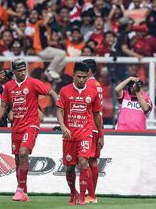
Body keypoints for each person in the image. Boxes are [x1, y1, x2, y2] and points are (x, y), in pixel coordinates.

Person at [0, 59, 59, 202]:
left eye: (24, 70)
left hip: (31, 124)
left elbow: (51, 92)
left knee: (23, 152)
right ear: (14, 71)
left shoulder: (33, 83)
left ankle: (19, 189)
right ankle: (24, 191)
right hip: (17, 127)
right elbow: (3, 107)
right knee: (17, 159)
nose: (22, 73)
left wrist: (58, 101)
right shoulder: (9, 86)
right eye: (19, 71)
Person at [56, 61, 102, 205]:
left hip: (86, 133)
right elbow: (59, 110)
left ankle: (82, 197)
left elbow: (96, 115)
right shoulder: (64, 91)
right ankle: (73, 193)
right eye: (79, 77)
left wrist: (100, 135)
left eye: (84, 77)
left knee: (83, 162)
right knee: (69, 168)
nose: (81, 80)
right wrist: (63, 126)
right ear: (73, 76)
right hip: (69, 134)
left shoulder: (93, 92)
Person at [83, 59, 105, 202]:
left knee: (86, 161)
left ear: (89, 71)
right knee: (92, 160)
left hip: (89, 126)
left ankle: (91, 195)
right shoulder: (97, 84)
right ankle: (91, 194)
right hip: (97, 126)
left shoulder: (88, 85)